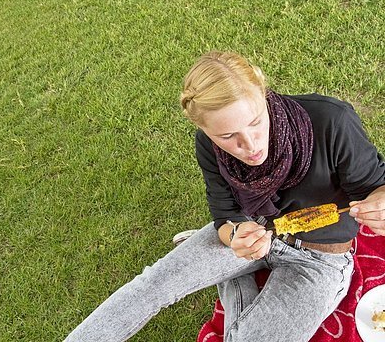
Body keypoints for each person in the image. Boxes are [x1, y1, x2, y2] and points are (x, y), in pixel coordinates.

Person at [64, 51, 385, 342]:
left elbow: (376, 187)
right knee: (151, 287)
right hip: (254, 227)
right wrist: (234, 236)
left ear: (262, 92)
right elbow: (225, 214)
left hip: (319, 259)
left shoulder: (331, 122)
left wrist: (381, 202)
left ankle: (230, 276)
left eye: (256, 122)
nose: (251, 145)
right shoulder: (208, 145)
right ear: (205, 130)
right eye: (228, 136)